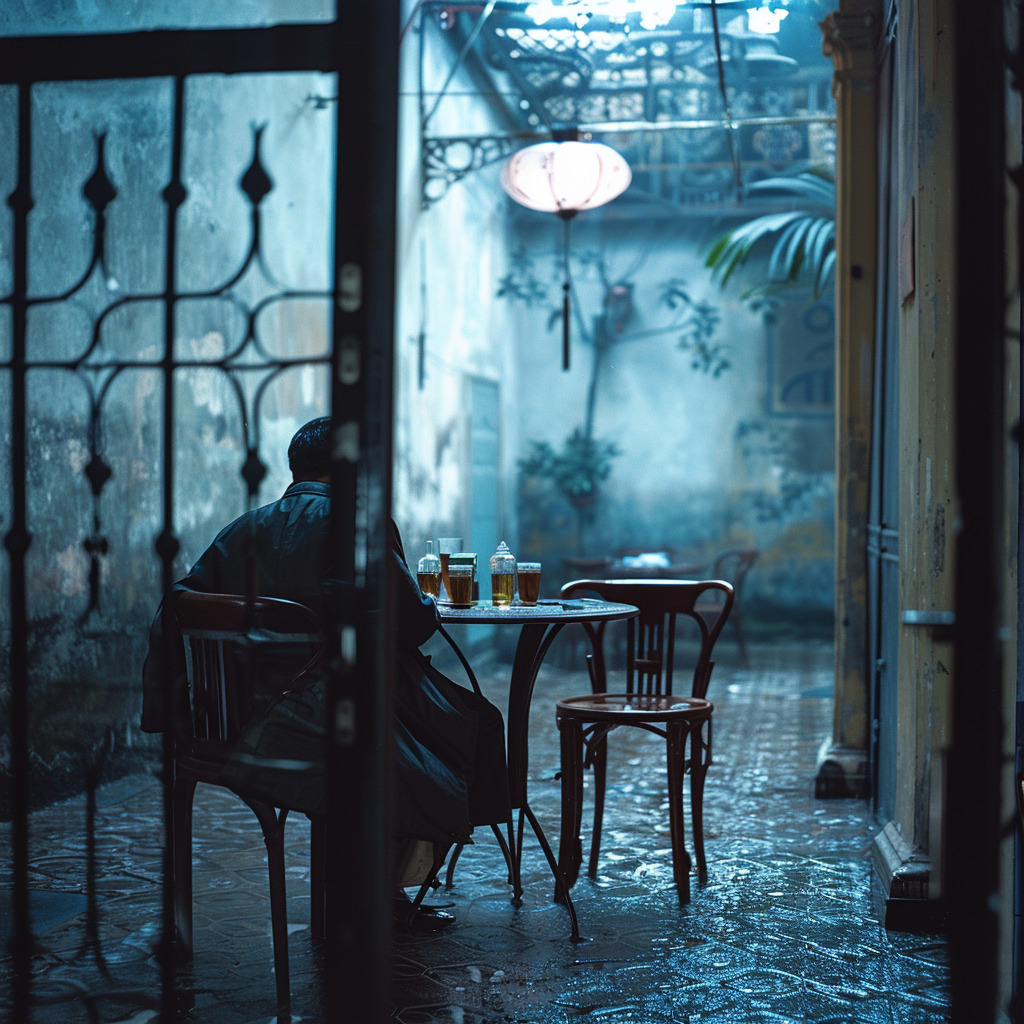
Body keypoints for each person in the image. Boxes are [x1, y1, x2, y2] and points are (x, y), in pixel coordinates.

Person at [141, 416, 510, 932]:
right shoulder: (359, 528)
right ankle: (382, 891)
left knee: (421, 724)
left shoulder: (243, 529)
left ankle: (373, 886)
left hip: (241, 725)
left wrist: (175, 715)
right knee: (460, 728)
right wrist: (424, 599)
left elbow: (178, 603)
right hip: (326, 723)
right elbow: (411, 626)